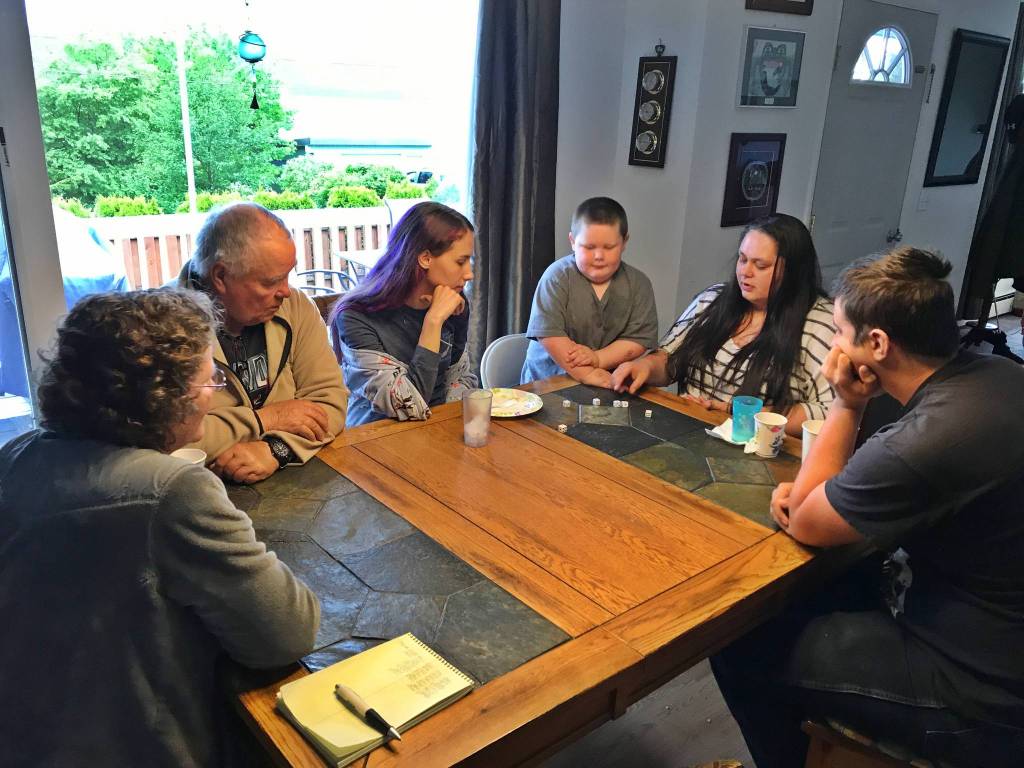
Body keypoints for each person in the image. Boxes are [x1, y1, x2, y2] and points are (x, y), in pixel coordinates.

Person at [711, 247, 1024, 767]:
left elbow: (807, 521)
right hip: (996, 628)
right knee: (823, 589)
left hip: (978, 689)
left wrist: (846, 403)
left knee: (740, 643)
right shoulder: (996, 374)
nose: (833, 344)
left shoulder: (925, 439)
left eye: (837, 330)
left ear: (876, 343)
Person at [0, 290, 320, 767]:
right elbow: (288, 632)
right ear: (164, 396)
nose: (214, 391)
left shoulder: (16, 456)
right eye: (209, 377)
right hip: (135, 746)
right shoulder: (172, 492)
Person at [611, 213, 833, 436]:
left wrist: (739, 413)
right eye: (743, 259)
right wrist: (645, 367)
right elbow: (671, 360)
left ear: (792, 272)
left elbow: (829, 413)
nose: (745, 272)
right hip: (686, 432)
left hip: (760, 449)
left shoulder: (820, 325)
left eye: (761, 265)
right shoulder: (712, 299)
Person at [177, 202, 347, 484]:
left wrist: (276, 449)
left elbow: (331, 403)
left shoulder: (296, 309)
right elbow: (167, 442)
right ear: (220, 276)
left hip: (295, 486)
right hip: (199, 495)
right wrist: (268, 419)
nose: (286, 291)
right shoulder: (163, 329)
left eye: (288, 274)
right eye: (271, 281)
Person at [331, 201, 478, 428]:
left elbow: (458, 377)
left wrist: (447, 427)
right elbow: (408, 405)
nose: (469, 274)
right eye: (461, 261)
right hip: (378, 438)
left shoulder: (455, 303)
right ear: (425, 258)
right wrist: (433, 321)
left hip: (439, 429)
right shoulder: (355, 317)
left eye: (470, 261)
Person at [520, 196, 659, 387]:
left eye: (609, 247)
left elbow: (637, 340)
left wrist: (598, 359)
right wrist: (586, 374)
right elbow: (550, 335)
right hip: (546, 384)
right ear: (572, 241)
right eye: (589, 247)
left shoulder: (639, 284)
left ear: (624, 242)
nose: (599, 256)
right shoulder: (556, 278)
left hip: (609, 383)